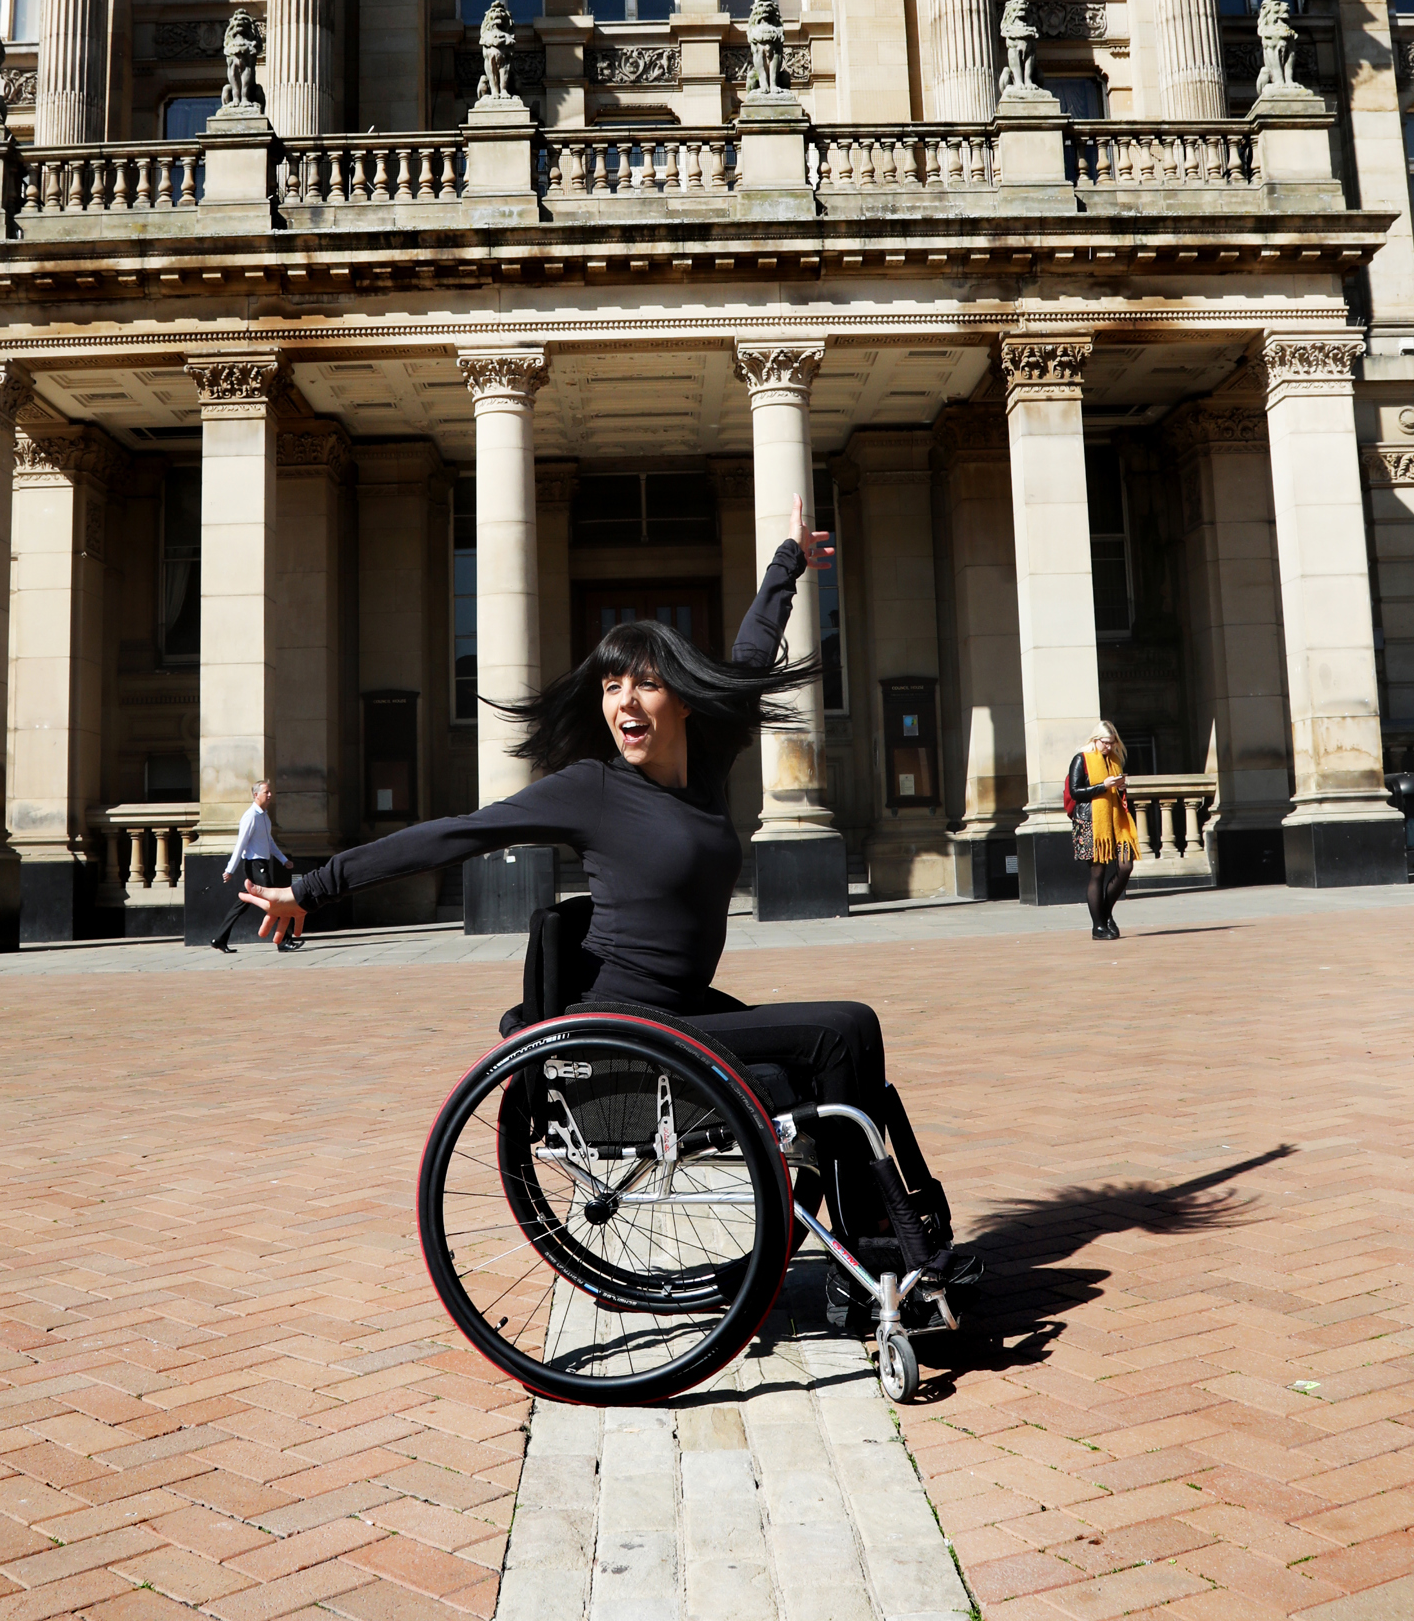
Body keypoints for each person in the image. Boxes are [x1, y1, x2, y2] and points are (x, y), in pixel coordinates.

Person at [239, 498, 923, 1249]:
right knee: (842, 1030)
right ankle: (878, 1251)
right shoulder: (590, 789)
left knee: (846, 1045)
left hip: (684, 1010)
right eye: (609, 686)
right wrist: (310, 888)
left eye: (645, 684)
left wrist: (788, 561)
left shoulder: (709, 752)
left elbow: (753, 650)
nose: (623, 700)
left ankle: (882, 1240)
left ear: (684, 702)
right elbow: (457, 834)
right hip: (629, 1030)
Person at [1067, 722, 1139, 938]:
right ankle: (1098, 926)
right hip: (1091, 823)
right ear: (1095, 739)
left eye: (1111, 743)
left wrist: (1120, 788)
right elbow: (1075, 792)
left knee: (1125, 867)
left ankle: (1105, 913)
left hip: (1116, 822)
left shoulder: (1114, 760)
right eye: (1104, 742)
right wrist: (1104, 786)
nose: (1107, 747)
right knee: (1097, 873)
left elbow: (1116, 794)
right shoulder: (1081, 759)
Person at [213, 778, 292, 954]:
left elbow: (269, 842)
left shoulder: (263, 816)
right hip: (255, 865)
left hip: (262, 864)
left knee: (241, 904)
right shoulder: (250, 816)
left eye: (270, 792)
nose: (270, 795)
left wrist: (283, 859)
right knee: (275, 901)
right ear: (256, 795)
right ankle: (283, 940)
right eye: (266, 792)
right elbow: (241, 844)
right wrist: (229, 869)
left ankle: (219, 939)